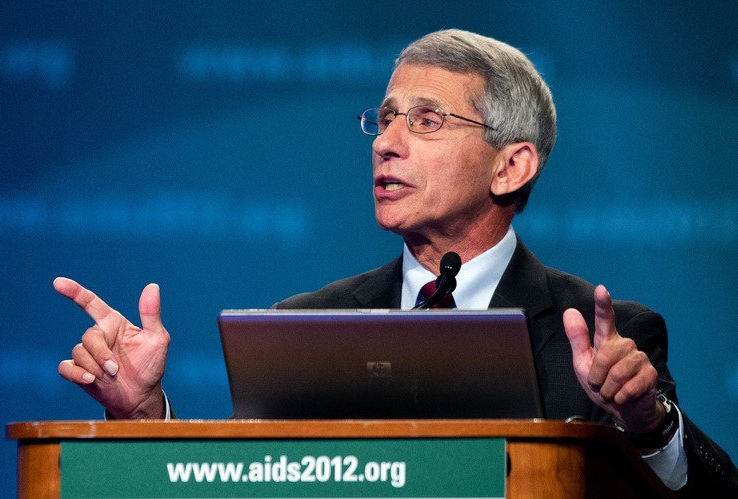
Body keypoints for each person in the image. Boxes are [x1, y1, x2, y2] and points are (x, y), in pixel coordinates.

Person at [54, 29, 736, 496]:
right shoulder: (306, 325)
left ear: (511, 163)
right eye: (382, 119)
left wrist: (651, 425)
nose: (387, 142)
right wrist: (145, 417)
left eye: (427, 120)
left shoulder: (604, 337)